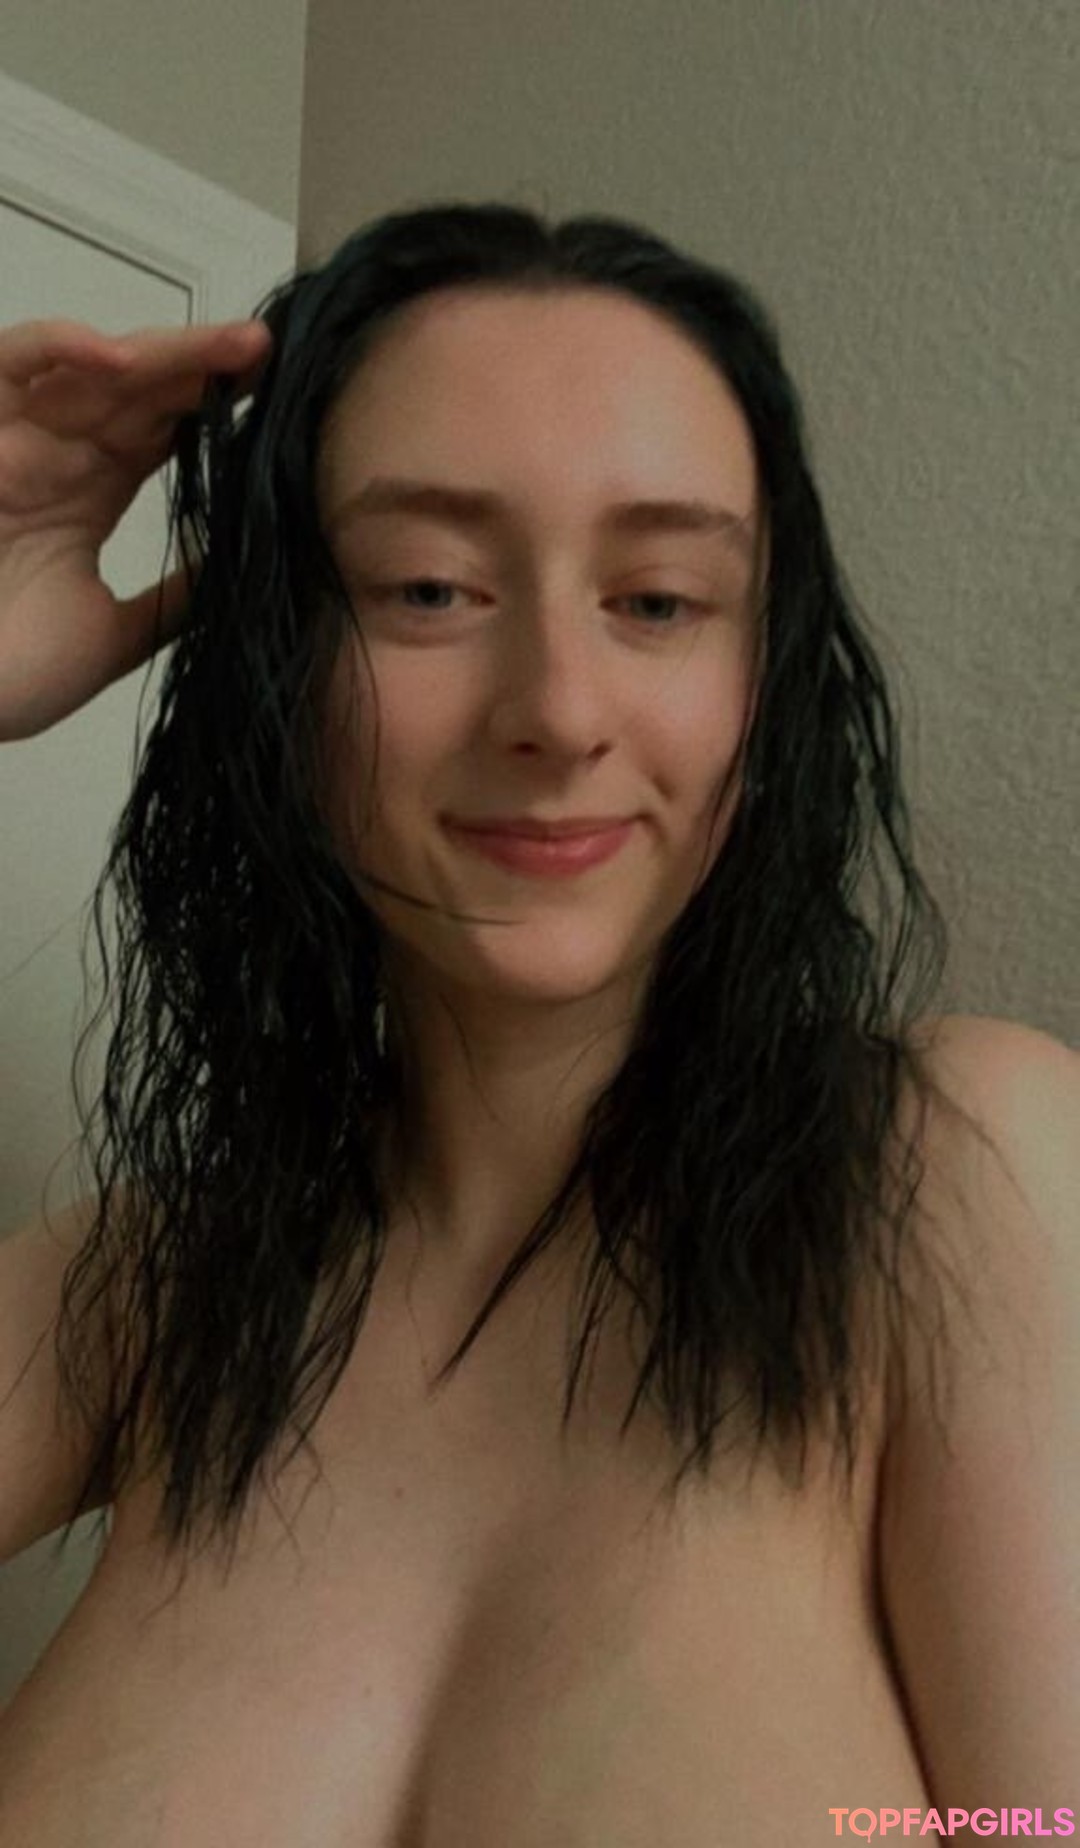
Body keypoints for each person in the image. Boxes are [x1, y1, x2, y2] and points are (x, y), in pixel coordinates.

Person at [0, 201, 1075, 1845]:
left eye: (659, 600)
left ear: (763, 684)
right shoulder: (147, 1292)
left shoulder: (951, 1170)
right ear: (279, 662)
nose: (559, 712)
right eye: (428, 588)